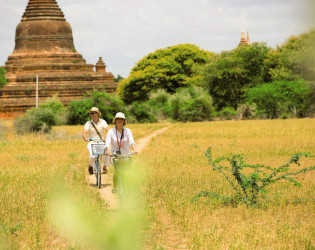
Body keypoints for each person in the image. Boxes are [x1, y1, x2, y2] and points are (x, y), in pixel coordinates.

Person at [105, 112, 138, 193]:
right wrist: (109, 151)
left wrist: (134, 149)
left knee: (127, 171)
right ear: (115, 121)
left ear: (124, 121)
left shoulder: (128, 131)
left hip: (126, 154)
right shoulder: (111, 132)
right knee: (117, 170)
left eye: (121, 119)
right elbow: (107, 144)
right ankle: (115, 187)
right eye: (118, 119)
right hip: (115, 155)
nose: (119, 121)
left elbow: (132, 142)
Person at [82, 107, 109, 175]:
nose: (91, 114)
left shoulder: (103, 121)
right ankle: (90, 166)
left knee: (107, 152)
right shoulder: (88, 123)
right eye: (90, 113)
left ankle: (105, 167)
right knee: (93, 156)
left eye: (93, 113)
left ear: (97, 114)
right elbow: (84, 132)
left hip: (101, 141)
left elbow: (107, 129)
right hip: (92, 142)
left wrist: (108, 137)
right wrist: (86, 138)